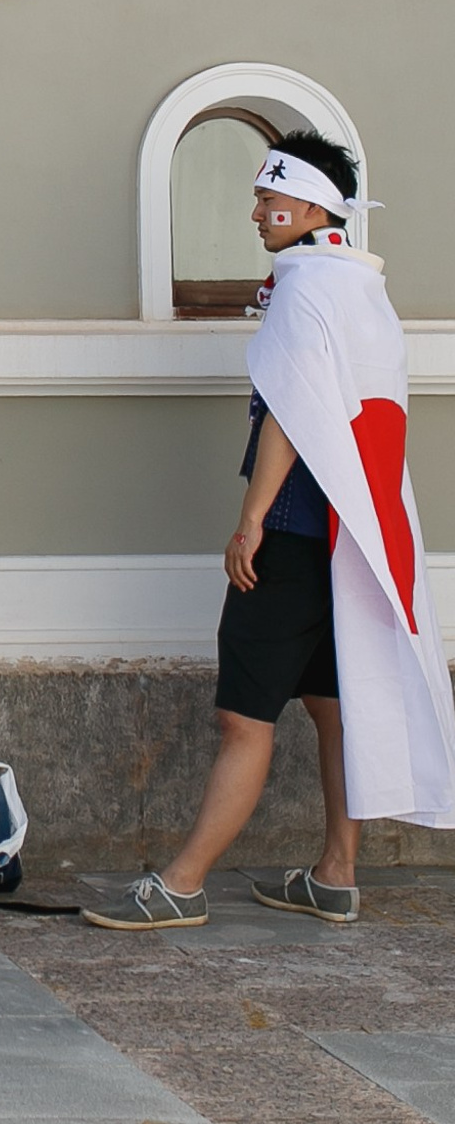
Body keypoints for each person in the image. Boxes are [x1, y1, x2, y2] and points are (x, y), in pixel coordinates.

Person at [85, 132, 455, 931]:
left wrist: (250, 521)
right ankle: (336, 874)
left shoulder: (306, 288)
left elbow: (290, 407)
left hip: (292, 531)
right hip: (353, 536)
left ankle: (183, 884)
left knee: (243, 717)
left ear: (312, 204)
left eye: (267, 198)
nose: (256, 213)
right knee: (331, 704)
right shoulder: (363, 290)